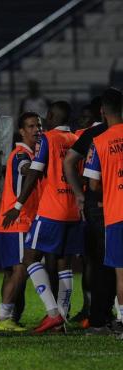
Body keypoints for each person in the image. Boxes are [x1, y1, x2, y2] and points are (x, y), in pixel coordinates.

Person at [3, 101, 83, 333]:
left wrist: (18, 205)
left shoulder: (48, 139)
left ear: (50, 117)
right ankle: (62, 320)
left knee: (29, 257)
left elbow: (35, 171)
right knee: (64, 264)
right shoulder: (77, 140)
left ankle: (53, 313)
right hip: (73, 211)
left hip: (52, 210)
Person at [63, 97, 117, 332]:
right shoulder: (101, 135)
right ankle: (98, 316)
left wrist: (79, 193)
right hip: (104, 205)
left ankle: (101, 314)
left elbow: (69, 162)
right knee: (106, 262)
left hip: (100, 203)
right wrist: (80, 193)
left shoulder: (96, 135)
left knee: (102, 261)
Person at [0, 112, 42, 332]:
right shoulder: (22, 154)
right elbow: (25, 169)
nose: (36, 130)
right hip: (18, 222)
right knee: (21, 269)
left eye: (38, 126)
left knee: (12, 272)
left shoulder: (25, 153)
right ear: (21, 131)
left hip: (7, 223)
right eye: (31, 126)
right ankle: (4, 317)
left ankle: (7, 316)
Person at [83, 87, 123, 337]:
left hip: (117, 213)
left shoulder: (99, 142)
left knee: (121, 271)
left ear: (102, 112)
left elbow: (93, 183)